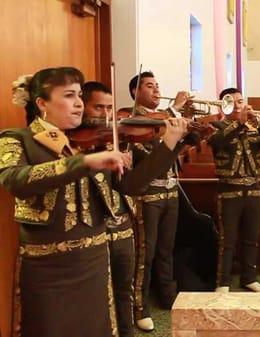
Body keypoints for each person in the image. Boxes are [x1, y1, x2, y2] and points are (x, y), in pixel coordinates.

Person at [1, 67, 183, 337]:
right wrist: (83, 162)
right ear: (42, 103)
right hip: (49, 265)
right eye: (68, 95)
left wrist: (169, 143)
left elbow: (130, 185)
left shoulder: (93, 144)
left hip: (95, 258)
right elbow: (14, 179)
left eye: (79, 96)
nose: (78, 103)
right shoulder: (16, 139)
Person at [126, 71, 199, 331]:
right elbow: (147, 158)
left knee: (167, 249)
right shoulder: (131, 120)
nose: (157, 89)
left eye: (158, 85)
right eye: (149, 86)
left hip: (170, 192)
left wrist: (194, 132)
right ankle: (140, 306)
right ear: (135, 92)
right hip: (148, 195)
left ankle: (168, 296)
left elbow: (173, 153)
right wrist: (173, 108)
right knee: (146, 252)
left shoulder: (165, 119)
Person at [207, 87, 260, 293]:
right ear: (224, 104)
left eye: (241, 100)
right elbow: (218, 142)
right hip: (229, 190)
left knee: (251, 238)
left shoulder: (253, 127)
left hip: (254, 188)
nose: (239, 104)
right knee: (226, 240)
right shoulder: (216, 126)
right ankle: (223, 283)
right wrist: (239, 123)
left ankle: (249, 278)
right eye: (234, 101)